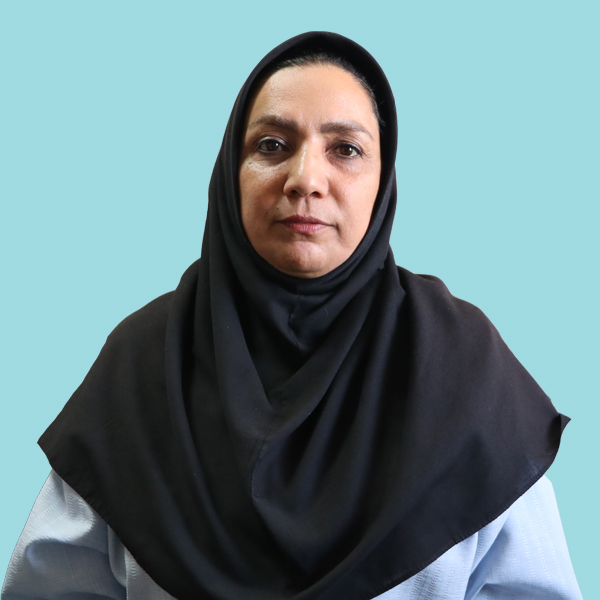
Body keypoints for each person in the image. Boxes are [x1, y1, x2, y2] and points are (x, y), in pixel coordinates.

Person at [2, 31, 582, 600]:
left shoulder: (466, 370)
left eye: (346, 149)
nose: (305, 178)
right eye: (272, 145)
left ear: (383, 181)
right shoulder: (141, 368)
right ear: (231, 169)